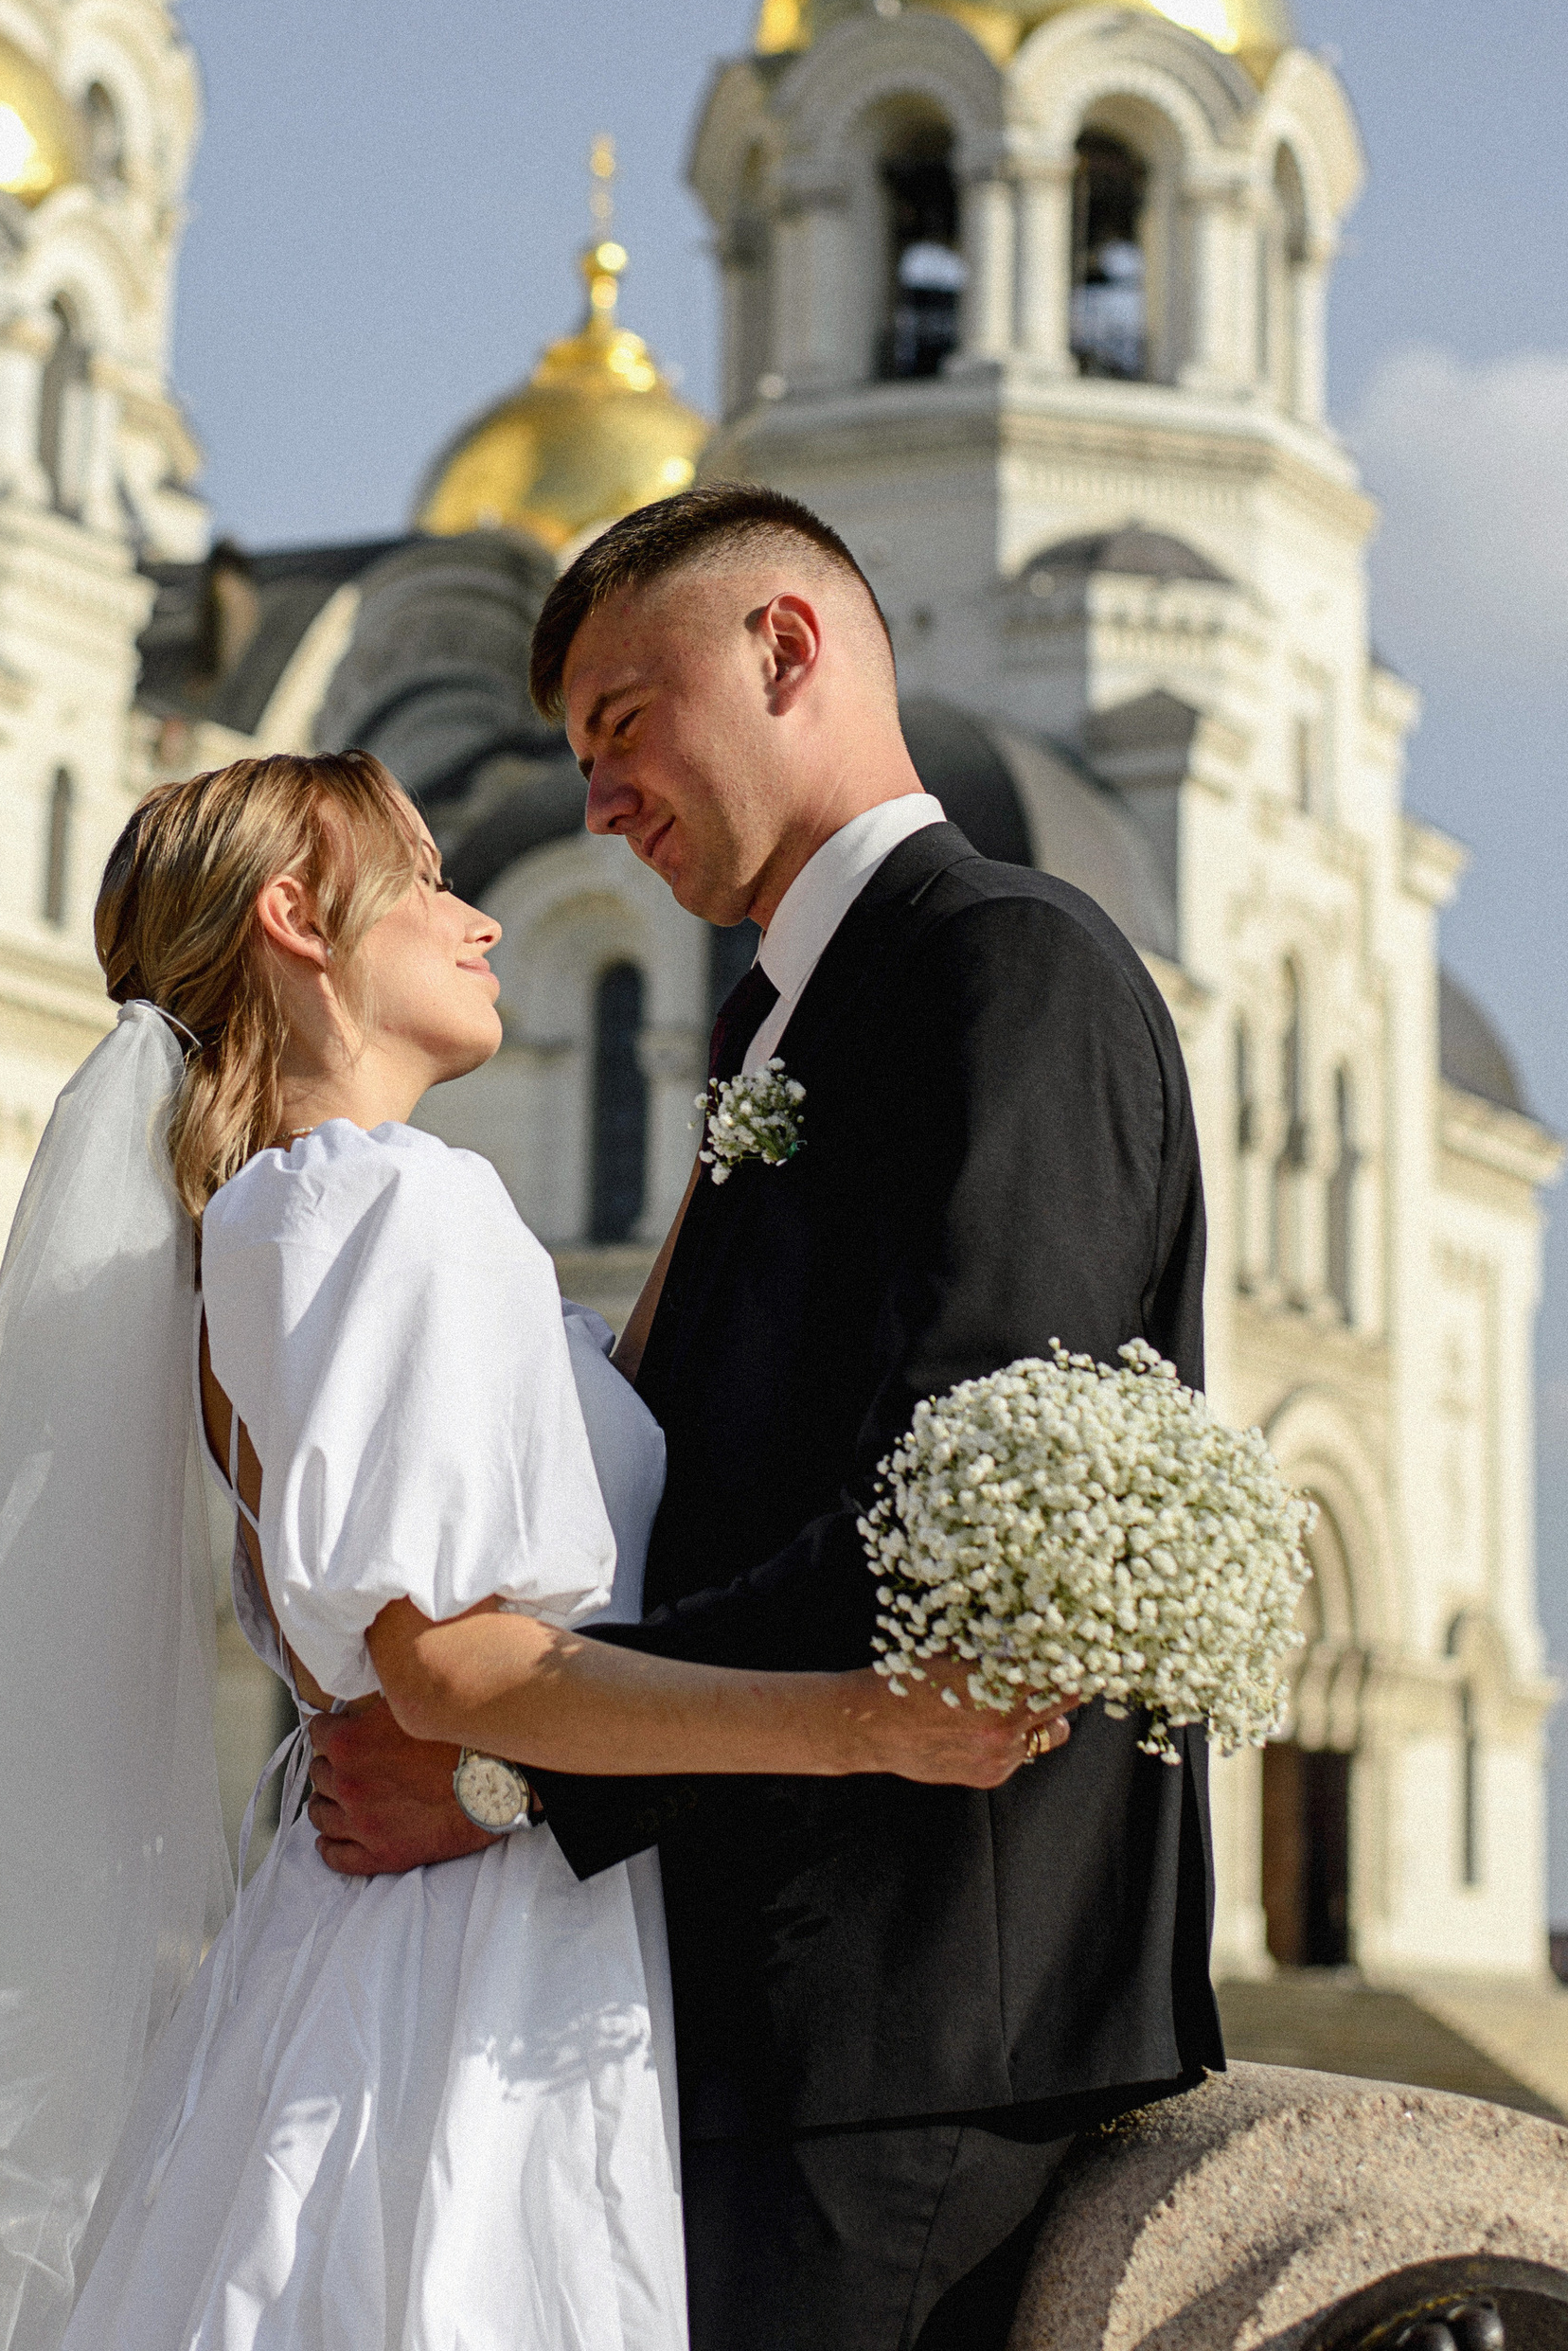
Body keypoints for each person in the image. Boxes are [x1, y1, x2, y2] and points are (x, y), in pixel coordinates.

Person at [0, 743, 1067, 2351]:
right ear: (299, 917)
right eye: (433, 880)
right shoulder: (389, 1201)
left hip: (373, 1933)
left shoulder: (279, 1212)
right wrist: (864, 1720)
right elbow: (447, 1666)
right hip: (468, 1969)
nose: (483, 918)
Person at [312, 482, 1225, 2351]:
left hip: (909, 2018)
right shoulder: (779, 1030)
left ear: (783, 650)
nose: (595, 805)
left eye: (620, 730)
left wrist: (512, 1763)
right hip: (763, 1999)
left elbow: (961, 1522)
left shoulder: (1001, 966)